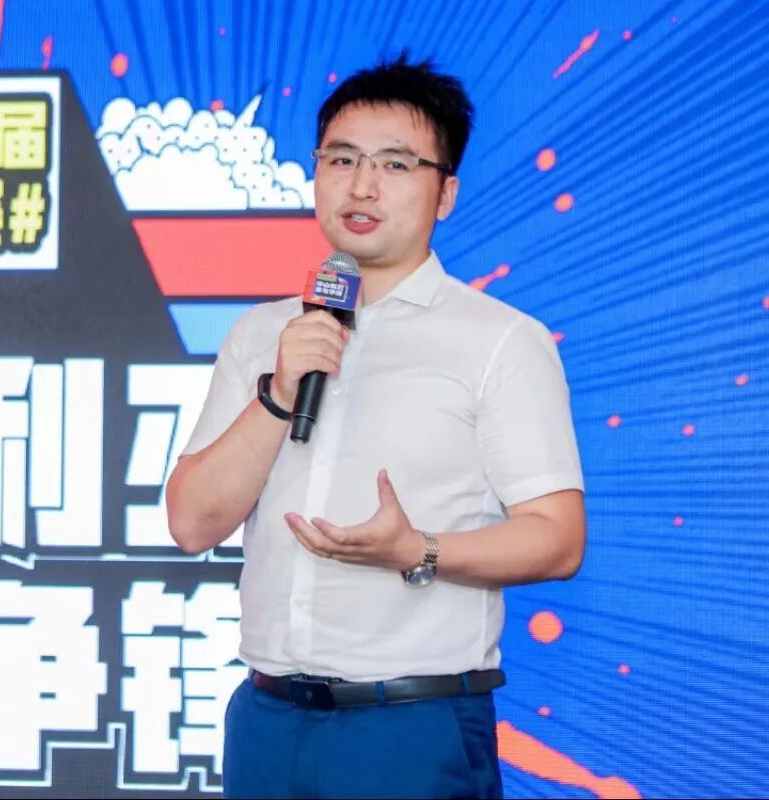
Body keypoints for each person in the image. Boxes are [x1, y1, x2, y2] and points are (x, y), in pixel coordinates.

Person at [165, 53, 585, 799]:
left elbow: (558, 539)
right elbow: (192, 523)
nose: (361, 186)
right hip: (266, 718)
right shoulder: (264, 334)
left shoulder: (499, 340)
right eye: (341, 159)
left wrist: (416, 550)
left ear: (445, 193)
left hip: (410, 726)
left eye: (395, 164)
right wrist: (278, 393)